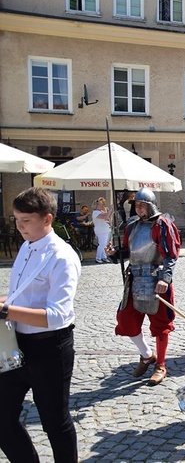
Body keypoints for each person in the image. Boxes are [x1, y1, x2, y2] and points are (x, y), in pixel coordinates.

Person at [0, 187, 81, 463]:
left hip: (51, 347)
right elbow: (23, 295)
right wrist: (6, 302)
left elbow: (57, 315)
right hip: (18, 344)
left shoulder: (63, 256)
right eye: (16, 219)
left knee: (54, 423)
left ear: (47, 219)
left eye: (26, 220)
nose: (19, 227)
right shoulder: (26, 246)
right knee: (2, 418)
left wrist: (7, 309)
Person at [105, 187, 181, 386]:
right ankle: (147, 356)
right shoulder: (132, 226)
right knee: (125, 319)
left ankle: (161, 365)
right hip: (134, 280)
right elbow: (128, 252)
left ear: (150, 205)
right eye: (136, 205)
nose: (138, 208)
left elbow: (171, 255)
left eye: (141, 205)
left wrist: (165, 278)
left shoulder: (163, 225)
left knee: (160, 325)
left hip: (156, 280)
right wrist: (114, 254)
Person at [92, 197, 112, 263]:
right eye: (101, 204)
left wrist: (110, 211)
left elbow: (107, 217)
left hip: (105, 229)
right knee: (102, 244)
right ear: (97, 205)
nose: (103, 205)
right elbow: (105, 216)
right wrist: (110, 209)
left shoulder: (101, 212)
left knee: (104, 244)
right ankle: (98, 257)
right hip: (101, 230)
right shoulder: (95, 212)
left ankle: (104, 256)